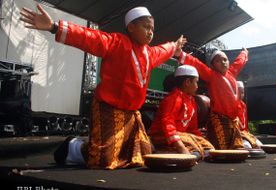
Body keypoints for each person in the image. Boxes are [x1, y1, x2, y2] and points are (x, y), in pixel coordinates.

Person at [20, 4, 185, 169]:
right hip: (108, 109)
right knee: (103, 160)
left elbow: (165, 49)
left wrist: (174, 46)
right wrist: (54, 27)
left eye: (152, 29)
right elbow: (88, 37)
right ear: (131, 27)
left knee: (143, 153)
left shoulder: (150, 53)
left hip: (131, 115)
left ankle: (99, 145)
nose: (150, 32)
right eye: (146, 27)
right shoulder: (116, 43)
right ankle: (73, 147)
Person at [175, 48, 248, 150]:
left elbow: (238, 62)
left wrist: (244, 52)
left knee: (239, 148)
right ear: (212, 65)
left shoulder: (231, 73)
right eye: (218, 61)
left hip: (232, 121)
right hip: (220, 120)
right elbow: (197, 64)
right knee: (222, 150)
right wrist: (181, 54)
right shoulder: (211, 75)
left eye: (225, 60)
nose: (223, 62)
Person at [148, 65, 214, 159]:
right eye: (196, 82)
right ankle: (160, 150)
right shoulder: (174, 98)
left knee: (209, 148)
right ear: (187, 82)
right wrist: (181, 147)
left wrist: (201, 140)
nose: (197, 86)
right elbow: (167, 123)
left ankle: (190, 153)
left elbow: (192, 128)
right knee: (192, 146)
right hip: (161, 135)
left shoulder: (191, 101)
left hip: (181, 136)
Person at [236, 81, 263, 149]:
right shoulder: (231, 104)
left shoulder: (243, 105)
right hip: (235, 134)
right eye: (238, 92)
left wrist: (247, 134)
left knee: (260, 146)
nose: (241, 95)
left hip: (244, 133)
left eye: (242, 92)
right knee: (247, 146)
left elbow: (245, 124)